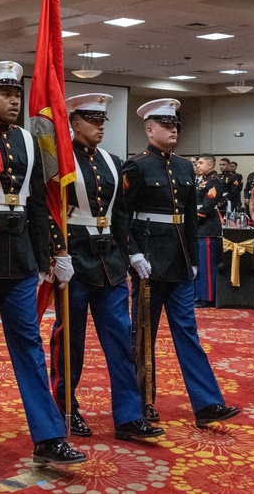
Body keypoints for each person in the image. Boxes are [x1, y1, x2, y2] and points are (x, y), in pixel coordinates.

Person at [0, 61, 85, 465]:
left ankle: (48, 436)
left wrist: (50, 253)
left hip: (21, 257)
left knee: (28, 345)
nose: (14, 100)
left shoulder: (29, 141)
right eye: (4, 93)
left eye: (17, 93)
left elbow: (37, 205)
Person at [48, 93, 164, 442]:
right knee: (71, 342)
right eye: (92, 119)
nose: (100, 126)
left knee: (119, 341)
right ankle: (66, 408)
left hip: (110, 262)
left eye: (102, 120)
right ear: (75, 122)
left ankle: (128, 417)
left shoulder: (114, 162)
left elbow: (121, 215)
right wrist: (56, 252)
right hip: (76, 260)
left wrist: (132, 253)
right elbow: (50, 209)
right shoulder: (60, 161)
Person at [123, 97, 239, 426]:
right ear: (149, 129)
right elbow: (122, 215)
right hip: (148, 260)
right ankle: (142, 403)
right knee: (144, 334)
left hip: (179, 260)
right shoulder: (137, 165)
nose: (173, 130)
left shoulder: (186, 167)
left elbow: (189, 217)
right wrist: (132, 252)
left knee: (188, 332)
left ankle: (207, 404)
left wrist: (192, 257)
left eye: (175, 124)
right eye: (166, 125)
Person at [194, 154, 225, 307]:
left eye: (201, 163)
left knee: (206, 264)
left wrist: (192, 221)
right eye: (197, 163)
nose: (197, 165)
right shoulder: (201, 181)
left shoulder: (214, 182)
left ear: (210, 166)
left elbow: (206, 207)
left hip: (206, 227)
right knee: (198, 263)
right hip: (199, 227)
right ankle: (198, 294)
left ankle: (208, 297)